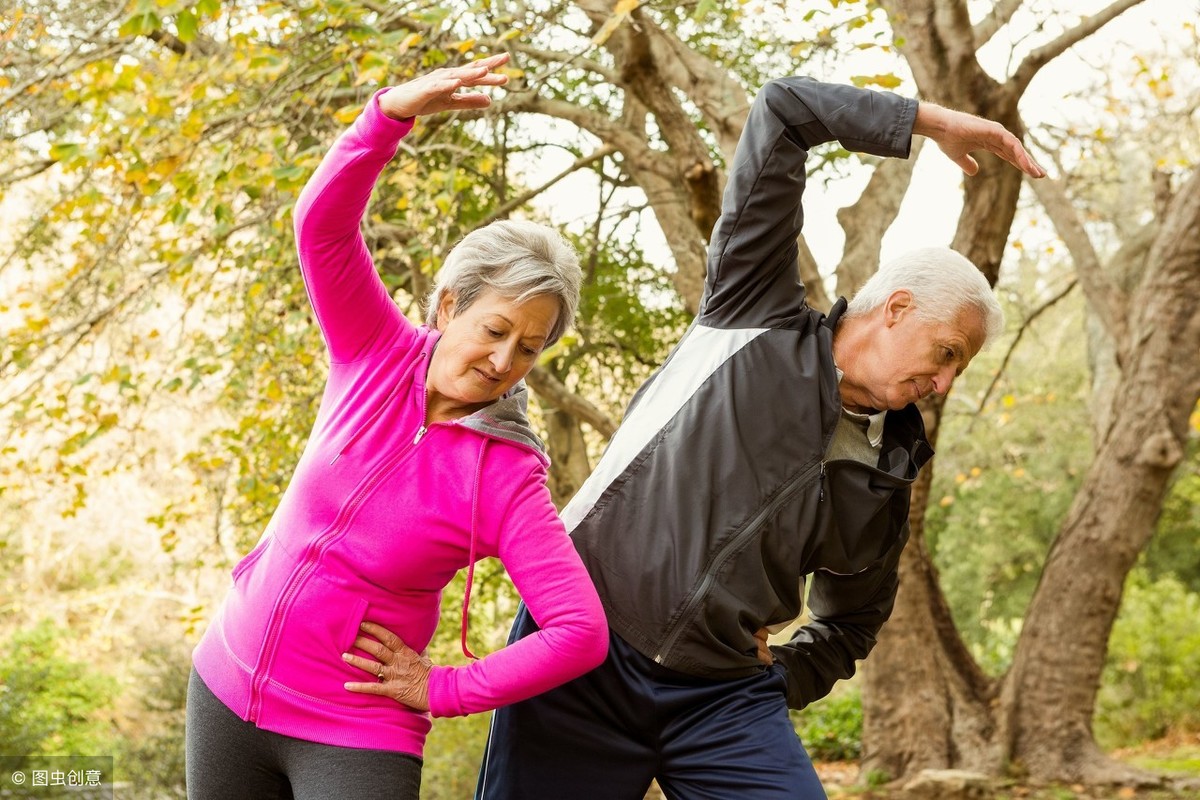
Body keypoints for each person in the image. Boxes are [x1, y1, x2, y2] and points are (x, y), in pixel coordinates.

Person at [471, 75, 1046, 798]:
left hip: (721, 701)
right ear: (896, 308)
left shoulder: (889, 469)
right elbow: (785, 110)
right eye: (947, 355)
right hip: (584, 647)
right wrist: (928, 123)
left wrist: (783, 676)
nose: (945, 385)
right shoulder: (755, 310)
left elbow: (852, 620)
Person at [184, 53, 607, 799]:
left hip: (353, 731)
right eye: (494, 329)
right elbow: (320, 228)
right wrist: (391, 113)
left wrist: (444, 686)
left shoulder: (508, 476)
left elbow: (579, 632)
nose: (505, 359)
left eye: (529, 348)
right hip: (224, 687)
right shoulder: (373, 351)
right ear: (448, 307)